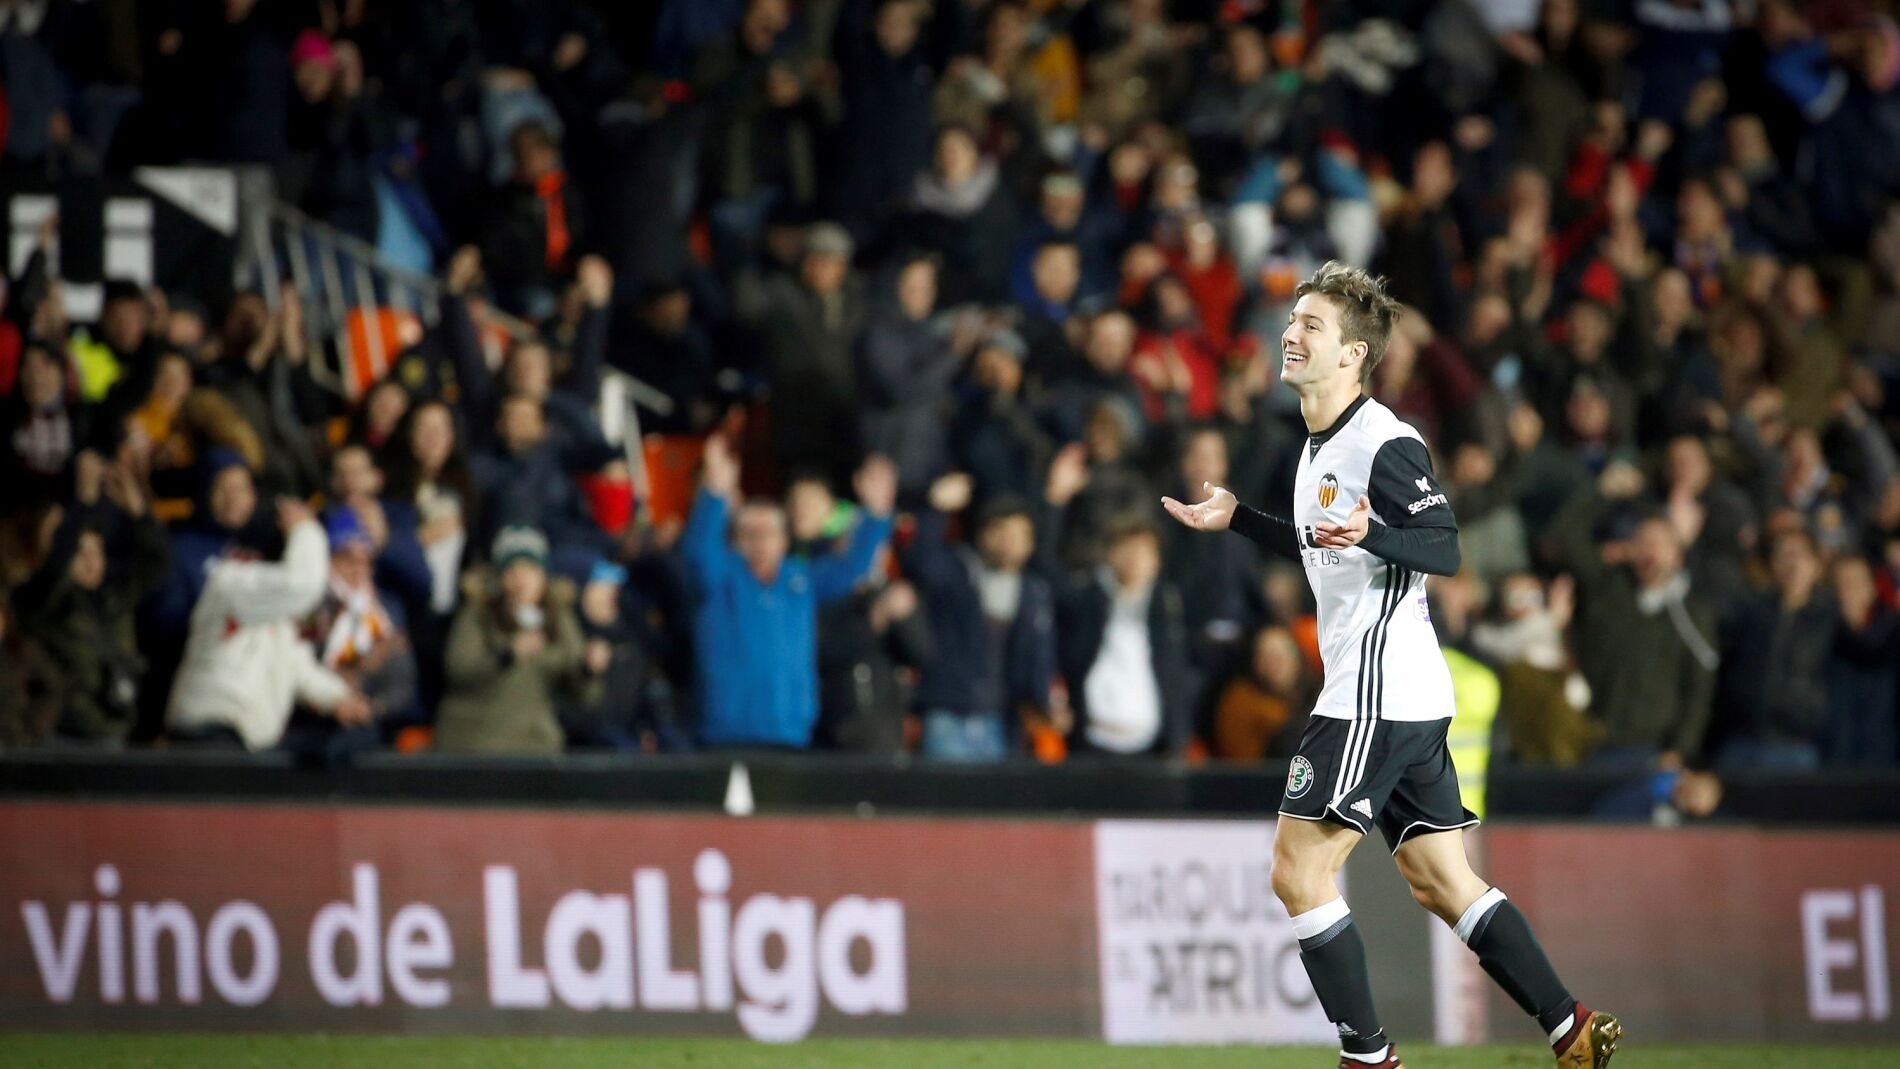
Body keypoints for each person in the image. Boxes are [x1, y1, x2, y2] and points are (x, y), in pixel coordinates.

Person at [1163, 262, 1619, 1069]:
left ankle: (1369, 1059)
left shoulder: (1384, 440)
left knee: (1297, 870)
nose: (1291, 333)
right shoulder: (1318, 447)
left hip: (1372, 690)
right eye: (1293, 319)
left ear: (1354, 353)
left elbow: (1444, 548)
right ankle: (1572, 1027)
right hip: (1404, 690)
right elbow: (1325, 548)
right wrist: (1240, 519)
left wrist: (1374, 531)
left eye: (1312, 324)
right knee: (1441, 879)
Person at [680, 436, 897, 749]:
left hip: (790, 733)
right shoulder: (719, 579)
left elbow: (851, 567)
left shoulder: (799, 579)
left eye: (769, 532)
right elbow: (698, 553)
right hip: (726, 734)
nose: (760, 541)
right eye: (750, 533)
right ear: (735, 540)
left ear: (784, 540)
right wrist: (714, 495)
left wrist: (876, 515)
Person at [165, 498, 373, 751]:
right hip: (206, 733)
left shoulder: (280, 613)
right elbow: (302, 585)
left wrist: (338, 698)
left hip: (243, 743)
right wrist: (306, 528)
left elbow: (300, 668)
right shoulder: (230, 582)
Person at [434, 527, 602, 754]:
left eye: (530, 569)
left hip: (535, 746)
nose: (521, 579)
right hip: (475, 743)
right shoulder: (478, 614)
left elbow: (585, 697)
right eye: (512, 570)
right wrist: (508, 655)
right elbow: (459, 670)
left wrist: (588, 669)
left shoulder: (559, 618)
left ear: (544, 576)